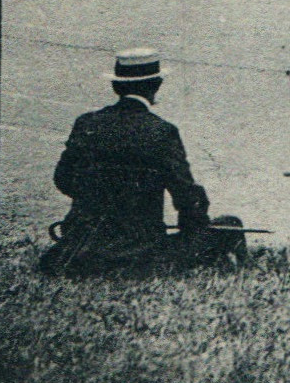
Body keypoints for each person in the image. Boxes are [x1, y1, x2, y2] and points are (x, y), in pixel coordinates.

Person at [39, 49, 246, 277]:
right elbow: (188, 198)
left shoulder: (86, 123)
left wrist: (100, 200)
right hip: (138, 254)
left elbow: (63, 179)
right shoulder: (161, 131)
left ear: (116, 86)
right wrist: (193, 229)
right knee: (231, 224)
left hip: (80, 249)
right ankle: (241, 273)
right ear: (156, 85)